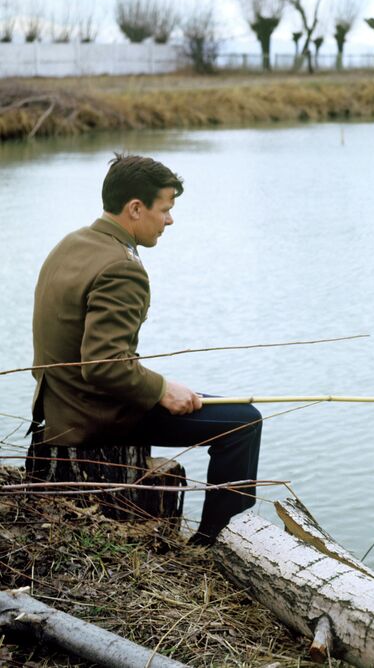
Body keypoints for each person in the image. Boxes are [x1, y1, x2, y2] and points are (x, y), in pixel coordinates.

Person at [31, 153, 261, 546]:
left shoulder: (71, 243)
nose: (169, 220)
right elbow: (103, 364)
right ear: (135, 208)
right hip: (92, 417)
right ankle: (216, 546)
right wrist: (160, 389)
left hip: (58, 406)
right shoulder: (122, 267)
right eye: (165, 209)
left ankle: (214, 539)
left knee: (230, 414)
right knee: (244, 422)